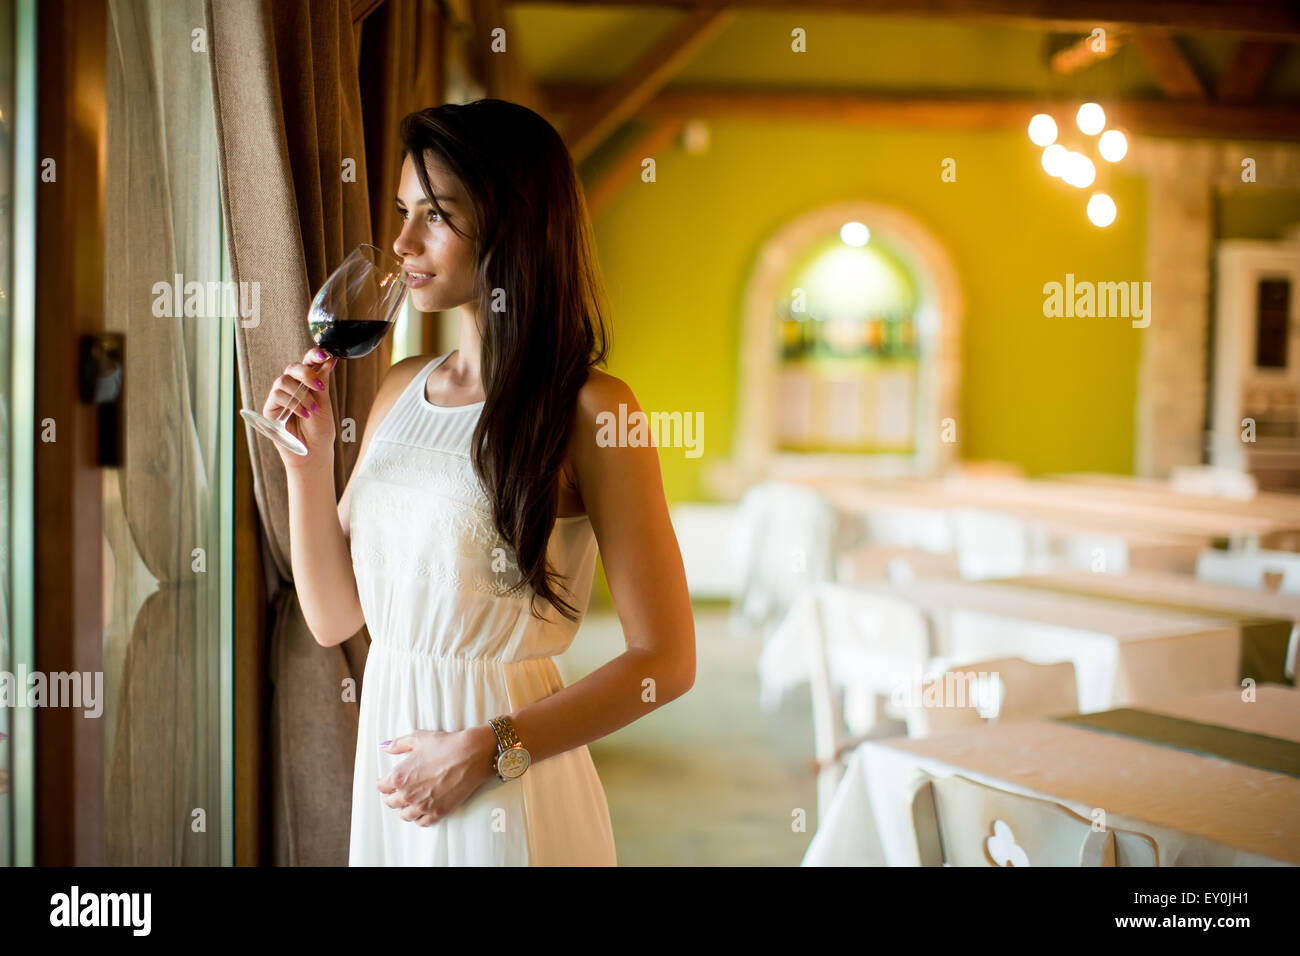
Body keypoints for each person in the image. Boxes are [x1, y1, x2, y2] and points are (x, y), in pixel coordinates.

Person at [256, 99, 696, 865]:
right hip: (394, 782)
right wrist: (307, 461)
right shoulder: (397, 388)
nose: (401, 242)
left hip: (505, 788)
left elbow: (667, 661)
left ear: (511, 223)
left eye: (435, 214)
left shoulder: (594, 410)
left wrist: (488, 753)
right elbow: (334, 620)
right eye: (403, 211)